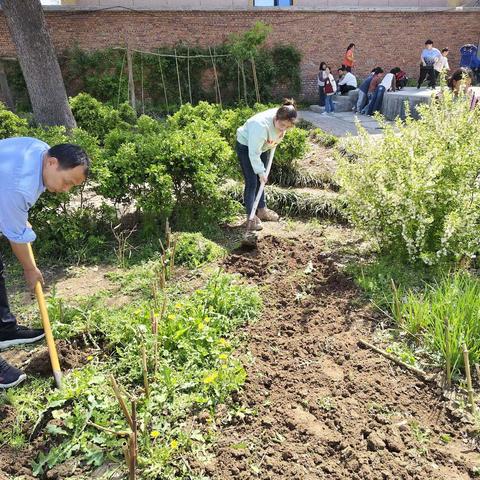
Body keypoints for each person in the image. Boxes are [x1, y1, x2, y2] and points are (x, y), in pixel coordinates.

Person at [0, 139, 90, 389]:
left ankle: (4, 330)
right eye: (67, 182)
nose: (65, 190)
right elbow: (15, 236)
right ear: (52, 162)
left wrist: (17, 218)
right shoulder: (19, 187)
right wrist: (31, 269)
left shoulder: (40, 150)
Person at [236, 99, 297, 231]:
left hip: (263, 146)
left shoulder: (284, 118)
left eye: (287, 127)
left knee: (261, 181)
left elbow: (277, 133)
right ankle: (250, 217)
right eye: (282, 125)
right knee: (252, 181)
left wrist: (262, 173)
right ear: (276, 118)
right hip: (247, 146)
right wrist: (260, 172)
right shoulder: (260, 126)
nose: (284, 129)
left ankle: (262, 210)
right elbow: (253, 153)